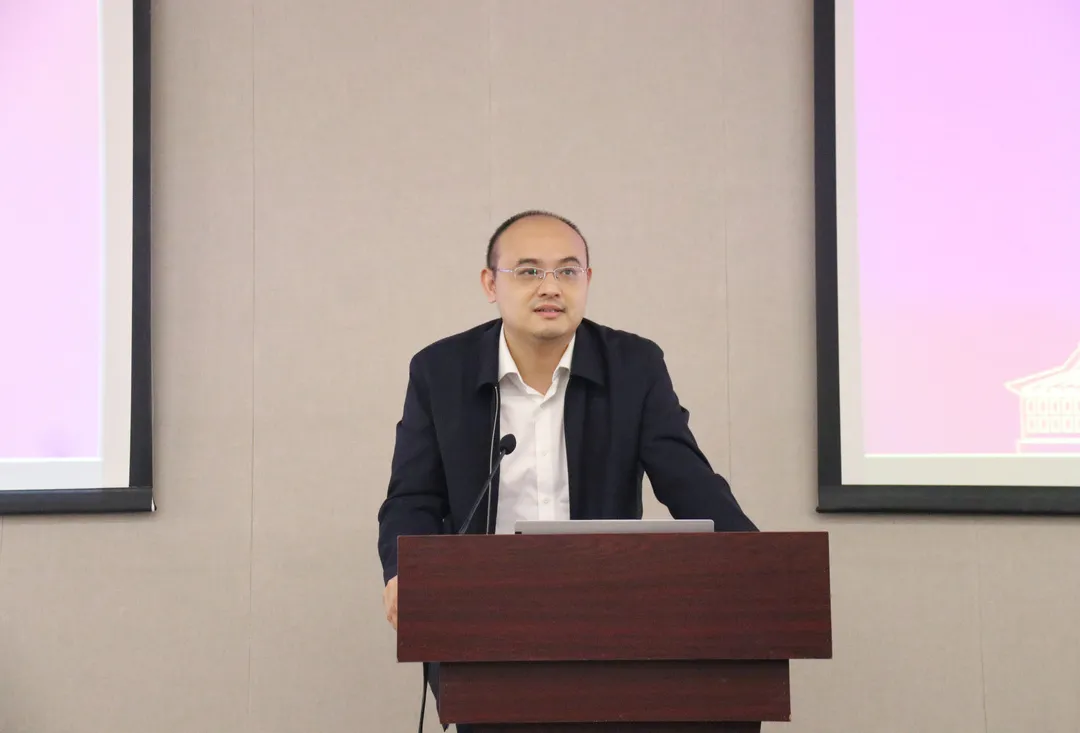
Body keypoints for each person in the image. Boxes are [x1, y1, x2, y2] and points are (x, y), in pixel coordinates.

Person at [377, 210, 757, 731]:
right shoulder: (440, 370)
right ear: (490, 284)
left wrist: (756, 562)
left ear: (588, 280)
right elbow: (413, 497)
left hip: (608, 612)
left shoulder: (633, 365)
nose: (550, 286)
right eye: (529, 271)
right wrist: (404, 572)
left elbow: (689, 482)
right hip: (483, 618)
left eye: (568, 271)